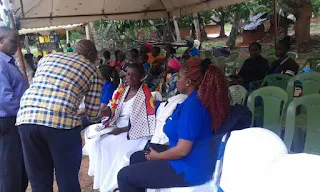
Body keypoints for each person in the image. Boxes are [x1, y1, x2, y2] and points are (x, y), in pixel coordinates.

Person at [117, 57, 231, 191]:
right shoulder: (194, 100)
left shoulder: (193, 107)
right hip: (189, 158)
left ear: (188, 82)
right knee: (137, 156)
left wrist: (158, 157)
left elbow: (182, 150)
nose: (177, 79)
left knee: (124, 176)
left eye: (180, 76)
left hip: (189, 168)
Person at [17, 40, 104, 192]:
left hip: (26, 118)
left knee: (39, 179)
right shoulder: (92, 71)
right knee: (67, 179)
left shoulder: (48, 58)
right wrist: (100, 113)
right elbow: (93, 114)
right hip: (60, 124)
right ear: (91, 54)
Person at [84, 63, 156, 192]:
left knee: (111, 145)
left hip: (135, 131)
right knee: (99, 141)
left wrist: (121, 130)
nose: (129, 77)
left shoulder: (144, 96)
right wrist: (106, 111)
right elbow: (113, 108)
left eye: (134, 75)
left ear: (141, 77)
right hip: (117, 123)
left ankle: (114, 182)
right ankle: (104, 178)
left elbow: (143, 123)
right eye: (128, 74)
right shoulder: (122, 90)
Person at [0, 26, 29, 192]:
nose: (16, 46)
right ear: (1, 40)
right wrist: (25, 112)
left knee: (18, 169)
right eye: (13, 41)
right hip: (9, 121)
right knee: (9, 171)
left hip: (14, 120)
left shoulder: (7, 62)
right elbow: (4, 99)